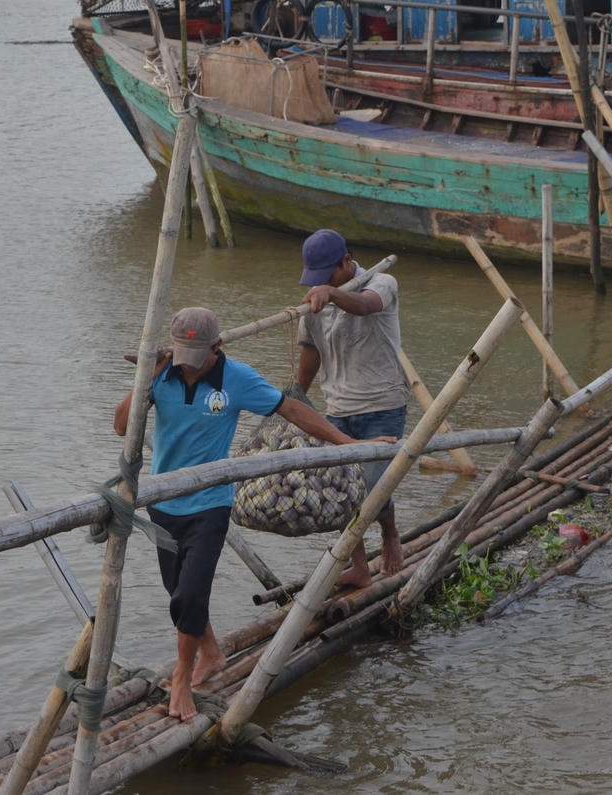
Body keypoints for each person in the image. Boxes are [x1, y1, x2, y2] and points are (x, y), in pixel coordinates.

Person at [114, 306, 392, 721]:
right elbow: (121, 427)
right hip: (163, 503)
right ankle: (211, 652)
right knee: (178, 597)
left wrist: (343, 441)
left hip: (210, 504)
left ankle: (181, 679)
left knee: (192, 594)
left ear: (217, 347)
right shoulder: (162, 374)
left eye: (197, 356)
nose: (188, 366)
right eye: (181, 354)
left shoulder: (237, 378)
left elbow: (291, 409)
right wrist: (147, 379)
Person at [296, 228, 412, 589]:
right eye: (318, 280)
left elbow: (365, 306)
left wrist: (331, 294)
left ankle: (391, 535)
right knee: (343, 493)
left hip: (383, 403)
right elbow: (311, 354)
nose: (322, 284)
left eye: (328, 276)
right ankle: (360, 566)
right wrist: (295, 395)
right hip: (337, 407)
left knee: (373, 489)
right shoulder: (314, 303)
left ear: (347, 262)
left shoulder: (382, 282)